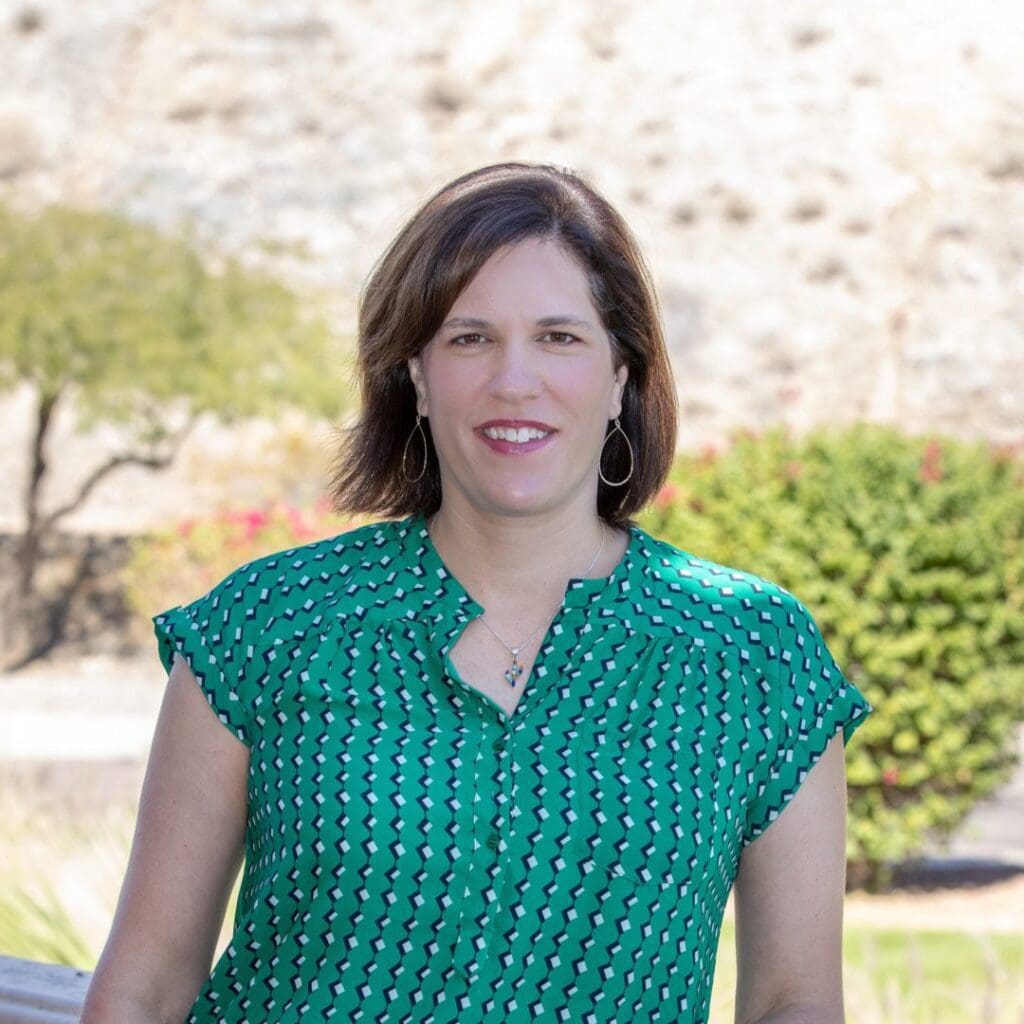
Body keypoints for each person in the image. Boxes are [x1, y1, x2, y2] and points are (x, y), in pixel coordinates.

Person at [82, 161, 873, 1024]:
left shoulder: (751, 654)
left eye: (560, 337)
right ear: (416, 375)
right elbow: (147, 985)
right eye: (469, 338)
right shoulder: (269, 626)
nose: (514, 380)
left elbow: (794, 1002)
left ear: (621, 376)